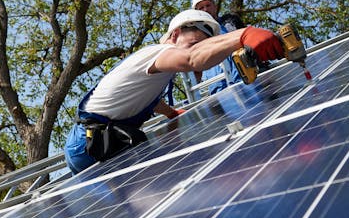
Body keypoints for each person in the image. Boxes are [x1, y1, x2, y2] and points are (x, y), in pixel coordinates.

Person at [64, 9, 284, 174]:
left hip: (95, 142)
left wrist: (170, 113)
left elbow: (147, 97)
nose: (200, 48)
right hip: (91, 143)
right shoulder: (161, 51)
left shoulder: (157, 64)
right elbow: (192, 58)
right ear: (176, 34)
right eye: (196, 42)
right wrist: (243, 35)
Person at [191, 0, 244, 93]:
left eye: (208, 5)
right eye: (201, 8)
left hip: (242, 79)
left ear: (215, 7)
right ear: (197, 12)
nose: (205, 9)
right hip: (218, 90)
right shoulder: (196, 37)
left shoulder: (230, 22)